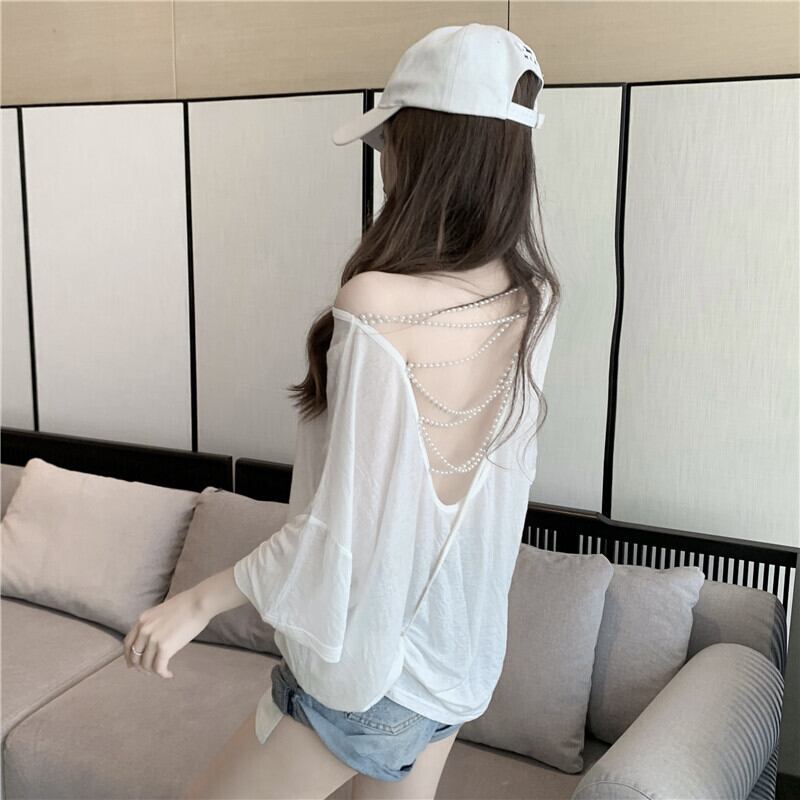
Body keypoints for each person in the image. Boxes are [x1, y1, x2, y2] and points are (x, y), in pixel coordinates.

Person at [123, 22, 561, 800]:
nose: (385, 162)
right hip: (454, 666)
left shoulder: (376, 302)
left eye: (391, 139)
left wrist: (195, 601)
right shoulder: (532, 299)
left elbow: (341, 532)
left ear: (422, 150)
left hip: (372, 674)